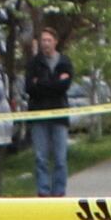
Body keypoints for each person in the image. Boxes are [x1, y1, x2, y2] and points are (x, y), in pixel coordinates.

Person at [24, 20, 74, 195]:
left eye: (48, 40)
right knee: (41, 158)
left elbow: (64, 86)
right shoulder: (34, 64)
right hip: (38, 116)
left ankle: (59, 193)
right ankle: (44, 192)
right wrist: (54, 83)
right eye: (43, 40)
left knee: (60, 158)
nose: (45, 43)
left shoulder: (64, 62)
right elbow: (29, 88)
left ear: (55, 42)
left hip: (59, 116)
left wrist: (42, 83)